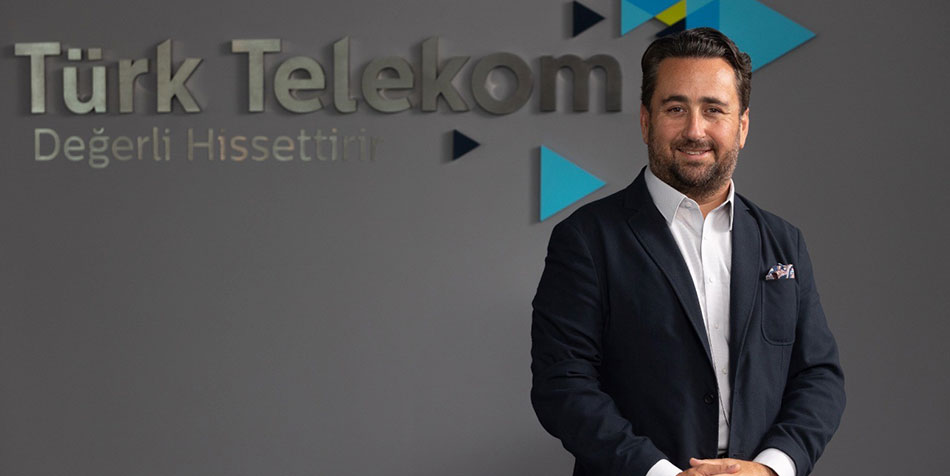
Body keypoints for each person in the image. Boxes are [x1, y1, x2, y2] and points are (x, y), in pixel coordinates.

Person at [530, 28, 845, 476]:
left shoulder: (783, 241)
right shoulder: (585, 239)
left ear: (742, 126)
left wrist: (771, 468)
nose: (695, 130)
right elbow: (563, 383)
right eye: (675, 109)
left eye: (714, 110)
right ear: (646, 121)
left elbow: (819, 377)